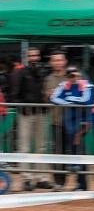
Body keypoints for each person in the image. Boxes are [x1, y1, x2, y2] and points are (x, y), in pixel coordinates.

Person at [9, 47, 51, 191]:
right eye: (31, 56)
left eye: (36, 55)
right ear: (26, 57)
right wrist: (23, 106)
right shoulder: (19, 72)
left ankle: (42, 178)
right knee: (24, 147)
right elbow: (14, 93)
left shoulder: (44, 72)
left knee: (41, 146)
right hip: (25, 114)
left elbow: (46, 91)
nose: (34, 58)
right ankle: (26, 178)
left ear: (39, 57)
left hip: (41, 113)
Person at [50, 67, 94, 191]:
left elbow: (86, 100)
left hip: (84, 121)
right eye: (70, 75)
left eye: (75, 75)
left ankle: (82, 184)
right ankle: (74, 178)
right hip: (69, 122)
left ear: (80, 75)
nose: (73, 78)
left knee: (79, 149)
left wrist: (68, 100)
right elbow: (53, 98)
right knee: (71, 148)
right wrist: (69, 103)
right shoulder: (64, 84)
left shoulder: (87, 85)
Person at [44, 50, 69, 190]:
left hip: (72, 120)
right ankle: (59, 183)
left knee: (74, 151)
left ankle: (81, 184)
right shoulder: (48, 79)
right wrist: (48, 95)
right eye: (55, 60)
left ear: (65, 61)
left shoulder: (73, 75)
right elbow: (45, 98)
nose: (58, 63)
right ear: (51, 62)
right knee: (57, 152)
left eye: (60, 60)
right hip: (56, 120)